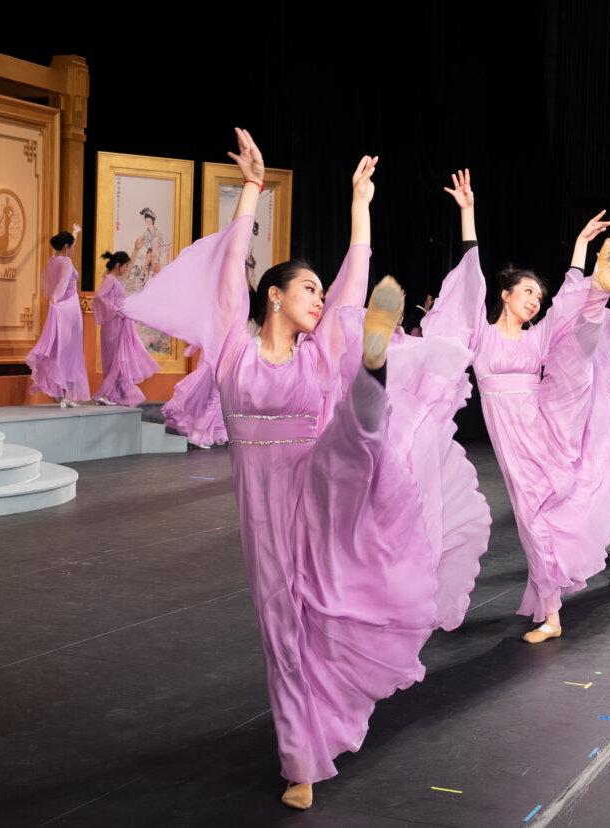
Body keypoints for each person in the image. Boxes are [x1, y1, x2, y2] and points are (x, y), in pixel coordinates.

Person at [121, 131, 491, 810]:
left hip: (322, 479)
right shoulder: (234, 347)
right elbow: (230, 269)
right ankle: (302, 757)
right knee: (285, 622)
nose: (319, 298)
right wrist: (252, 190)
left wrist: (360, 202)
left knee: (355, 417)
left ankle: (379, 377)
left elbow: (358, 267)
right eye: (307, 290)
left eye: (321, 292)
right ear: (274, 297)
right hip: (264, 499)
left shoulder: (317, 354)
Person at [424, 168, 610, 644]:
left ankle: (552, 616)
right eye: (528, 292)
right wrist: (468, 215)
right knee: (535, 513)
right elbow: (469, 281)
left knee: (536, 516)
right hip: (510, 437)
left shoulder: (538, 340)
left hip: (542, 426)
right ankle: (543, 601)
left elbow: (565, 307)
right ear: (506, 295)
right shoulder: (482, 335)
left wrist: (580, 250)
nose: (536, 300)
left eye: (539, 295)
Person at [26, 225, 90, 407]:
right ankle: (66, 393)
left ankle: (61, 394)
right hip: (69, 309)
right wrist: (55, 299)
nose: (74, 248)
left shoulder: (52, 261)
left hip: (61, 308)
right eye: (72, 245)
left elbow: (50, 284)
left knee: (60, 349)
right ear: (66, 247)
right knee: (70, 351)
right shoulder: (67, 263)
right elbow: (62, 285)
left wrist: (75, 233)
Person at [92, 251, 159, 406]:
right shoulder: (110, 279)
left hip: (118, 324)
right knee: (116, 360)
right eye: (127, 266)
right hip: (114, 325)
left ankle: (112, 394)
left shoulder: (114, 279)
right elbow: (99, 297)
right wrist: (115, 310)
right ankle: (106, 394)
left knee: (118, 360)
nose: (128, 268)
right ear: (118, 265)